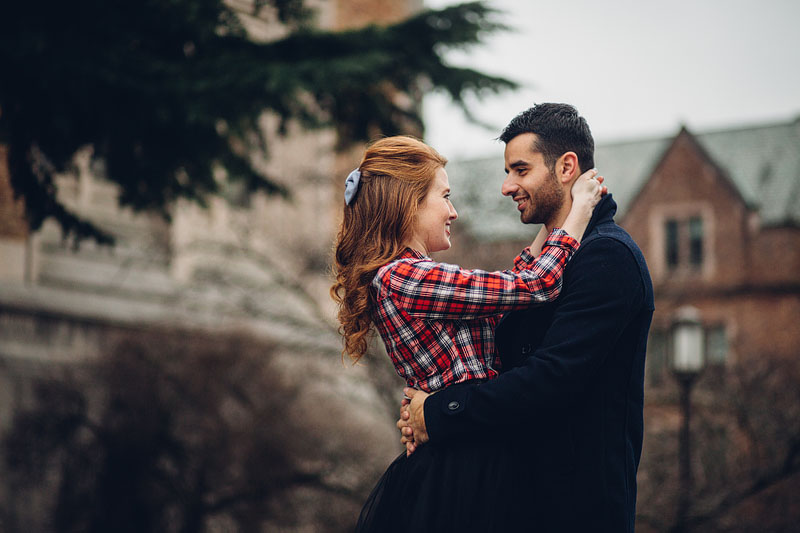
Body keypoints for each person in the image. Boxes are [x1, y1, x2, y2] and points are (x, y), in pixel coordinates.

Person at [400, 103, 655, 532]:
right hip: (515, 500)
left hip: (574, 510)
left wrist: (440, 412)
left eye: (520, 170)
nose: (506, 186)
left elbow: (550, 379)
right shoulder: (548, 262)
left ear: (566, 167)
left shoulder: (609, 258)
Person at [330, 135, 604, 532]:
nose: (453, 211)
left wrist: (554, 222)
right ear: (409, 204)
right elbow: (536, 285)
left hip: (464, 451)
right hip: (468, 461)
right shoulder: (407, 277)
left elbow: (511, 289)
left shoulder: (403, 276)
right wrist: (581, 208)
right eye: (444, 196)